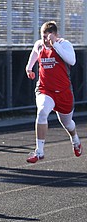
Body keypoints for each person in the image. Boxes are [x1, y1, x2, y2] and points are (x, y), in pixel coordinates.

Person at [25, 21, 82, 163]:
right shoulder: (39, 45)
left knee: (68, 124)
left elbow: (72, 61)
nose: (46, 40)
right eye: (43, 37)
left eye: (49, 37)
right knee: (42, 111)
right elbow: (34, 55)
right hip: (45, 89)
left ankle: (75, 140)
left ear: (56, 35)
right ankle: (39, 151)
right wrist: (29, 68)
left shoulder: (64, 44)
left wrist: (55, 44)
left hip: (63, 92)